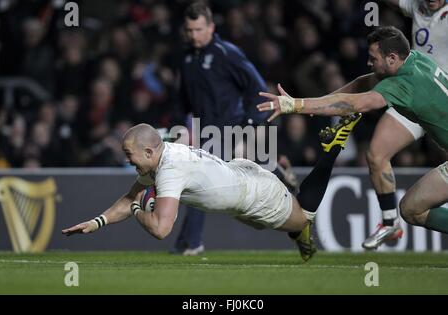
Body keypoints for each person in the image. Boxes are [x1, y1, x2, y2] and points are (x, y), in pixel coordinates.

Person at [62, 116, 361, 262]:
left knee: (303, 216)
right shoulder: (161, 158)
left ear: (150, 153)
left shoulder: (169, 171)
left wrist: (142, 205)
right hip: (240, 183)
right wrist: (97, 222)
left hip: (255, 194)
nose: (126, 160)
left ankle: (331, 150)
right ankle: (282, 177)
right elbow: (129, 198)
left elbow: (160, 229)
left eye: (130, 155)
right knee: (262, 226)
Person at [257, 26, 448, 239]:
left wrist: (296, 105)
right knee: (411, 208)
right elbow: (360, 84)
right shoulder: (415, 59)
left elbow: (354, 103)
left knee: (412, 209)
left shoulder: (403, 84)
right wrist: (317, 105)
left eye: (373, 58)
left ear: (392, 58)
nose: (368, 62)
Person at [171, 2, 273, 255]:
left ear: (211, 27)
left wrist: (248, 126)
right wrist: (178, 128)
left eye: (198, 29)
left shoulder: (226, 53)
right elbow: (183, 99)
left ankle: (190, 243)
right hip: (203, 132)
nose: (194, 35)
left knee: (197, 183)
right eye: (190, 30)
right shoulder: (186, 57)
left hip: (229, 130)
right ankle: (188, 242)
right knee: (197, 184)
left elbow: (258, 91)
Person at [354, 0, 448, 250]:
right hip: (410, 94)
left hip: (440, 101)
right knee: (376, 154)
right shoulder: (415, 5)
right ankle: (389, 223)